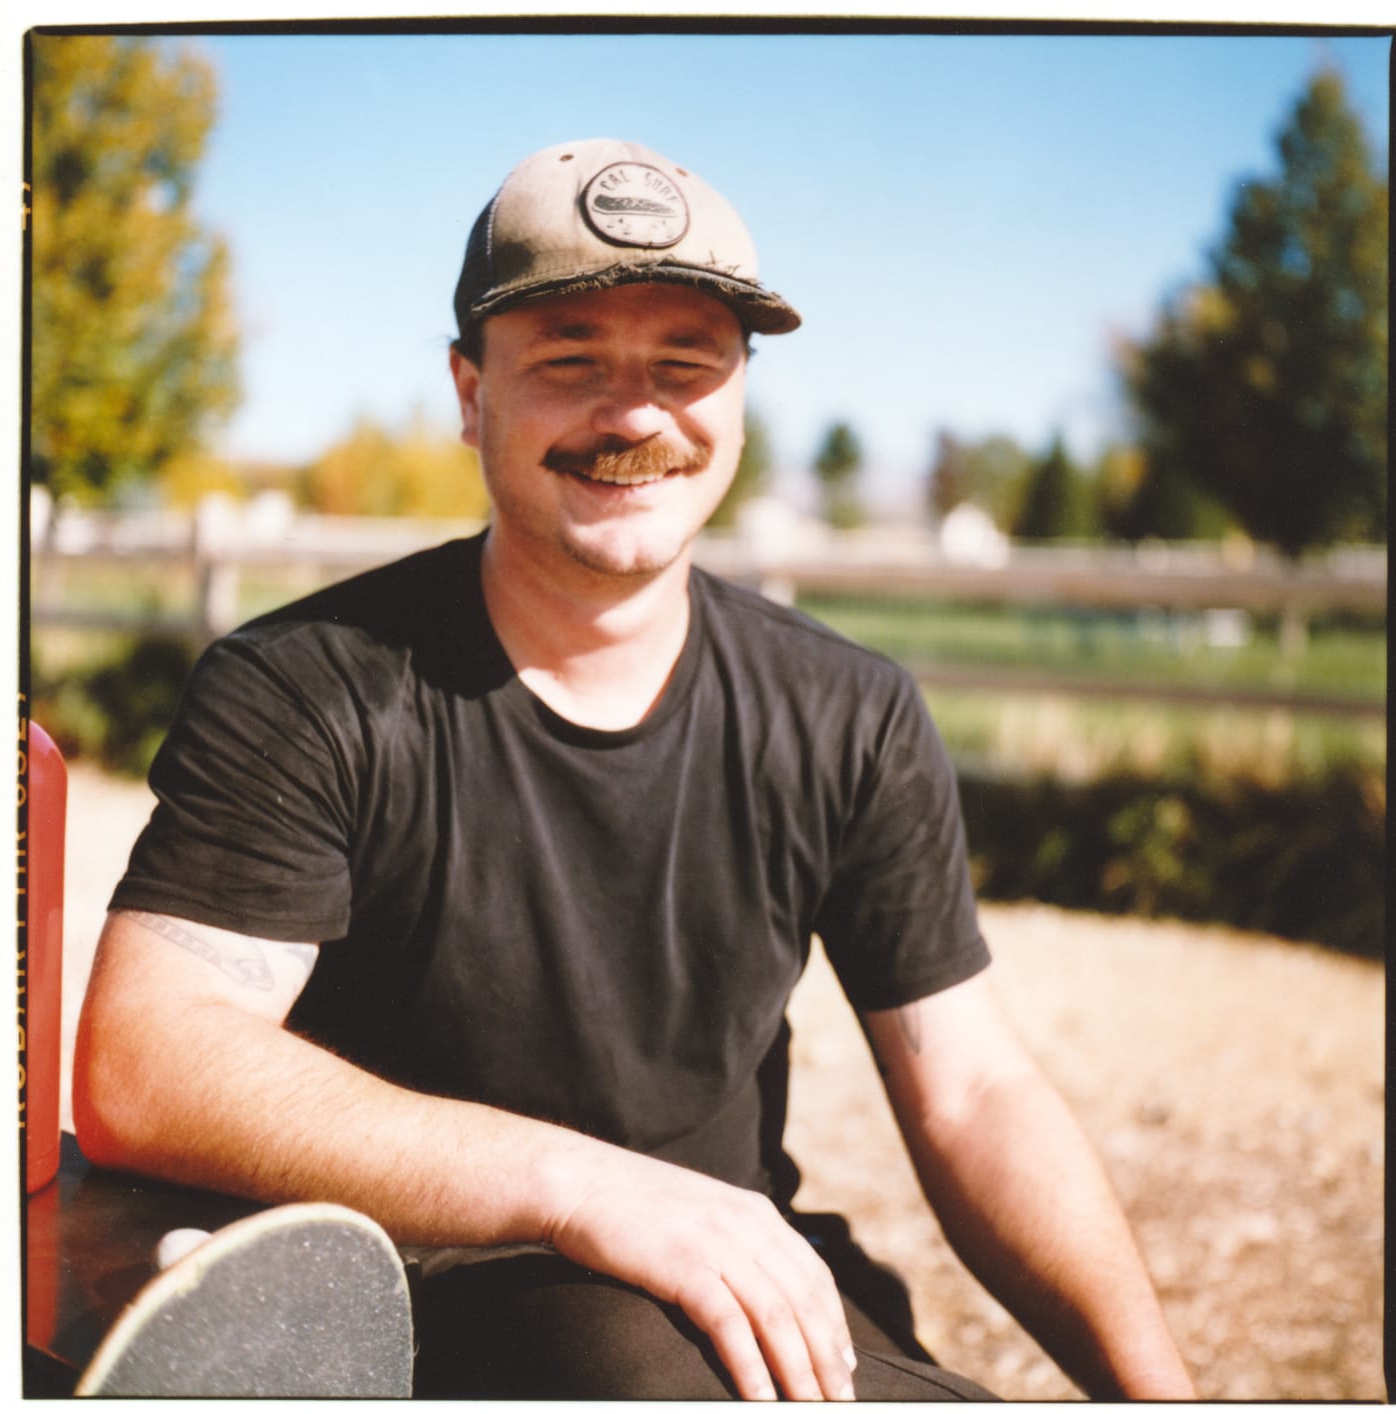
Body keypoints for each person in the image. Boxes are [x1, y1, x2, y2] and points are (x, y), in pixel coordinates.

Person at [74, 137, 1195, 1402]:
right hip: (405, 1298)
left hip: (731, 1275)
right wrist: (584, 1188)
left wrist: (1158, 1393)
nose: (637, 413)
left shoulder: (850, 711)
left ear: (736, 401)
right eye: (570, 359)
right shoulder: (311, 685)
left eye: (685, 363)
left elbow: (974, 1090)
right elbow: (147, 1059)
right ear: (469, 392)